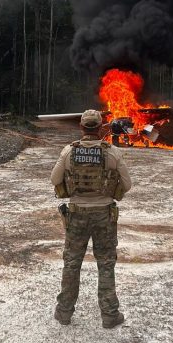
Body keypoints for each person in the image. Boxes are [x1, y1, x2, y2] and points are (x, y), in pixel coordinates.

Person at [51, 109, 132, 328]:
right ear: (100, 127)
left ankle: (64, 312)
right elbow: (127, 184)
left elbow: (54, 178)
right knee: (106, 264)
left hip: (77, 214)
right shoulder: (112, 152)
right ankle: (109, 315)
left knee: (72, 263)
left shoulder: (69, 151)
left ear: (81, 127)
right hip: (104, 215)